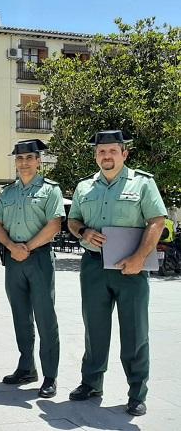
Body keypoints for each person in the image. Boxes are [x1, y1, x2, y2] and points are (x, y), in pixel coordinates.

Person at [67, 130, 166, 416]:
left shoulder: (143, 183)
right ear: (96, 155)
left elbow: (156, 222)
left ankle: (137, 393)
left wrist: (139, 257)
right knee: (94, 329)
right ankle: (91, 383)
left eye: (112, 151)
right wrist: (84, 231)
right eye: (101, 152)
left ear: (124, 153)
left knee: (135, 332)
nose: (106, 156)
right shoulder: (85, 187)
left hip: (131, 270)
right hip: (94, 266)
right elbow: (73, 220)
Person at [0, 139, 64, 398]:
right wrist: (12, 246)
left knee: (45, 318)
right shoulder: (8, 192)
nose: (24, 162)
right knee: (20, 317)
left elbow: (54, 225)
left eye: (29, 158)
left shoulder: (50, 189)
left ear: (38, 161)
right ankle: (26, 367)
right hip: (13, 260)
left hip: (39, 259)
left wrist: (27, 247)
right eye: (20, 158)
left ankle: (50, 376)